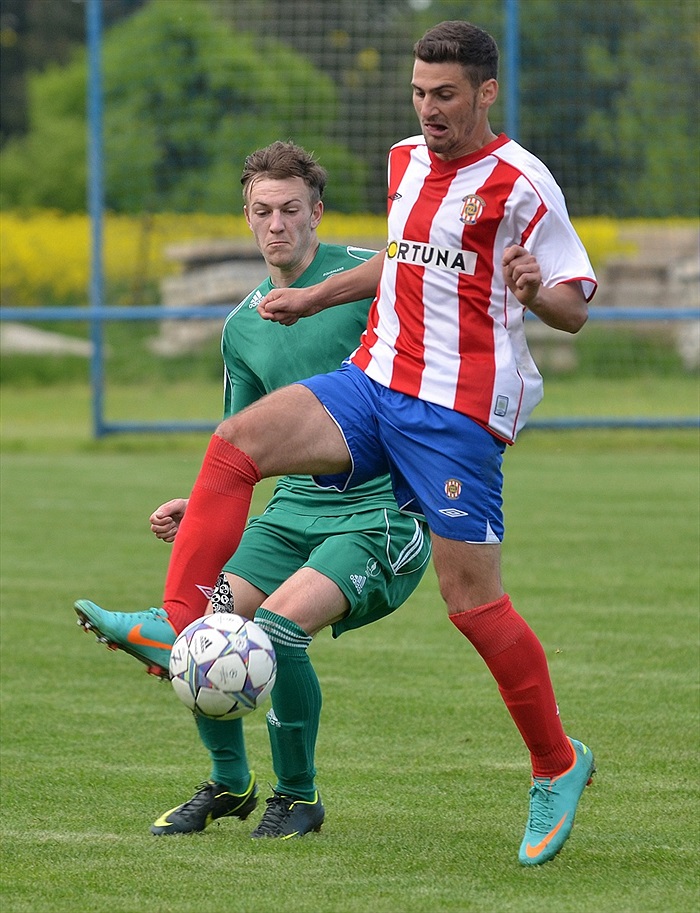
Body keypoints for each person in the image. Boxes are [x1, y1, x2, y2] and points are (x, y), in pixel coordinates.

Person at [76, 20, 598, 865]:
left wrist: (537, 290)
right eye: (420, 93)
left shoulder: (521, 181)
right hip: (375, 380)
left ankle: (557, 763)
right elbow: (403, 264)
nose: (430, 109)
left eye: (447, 95)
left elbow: (575, 304)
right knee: (237, 442)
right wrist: (316, 301)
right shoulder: (404, 161)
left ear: (486, 92)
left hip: (454, 412)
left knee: (473, 604)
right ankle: (178, 622)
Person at [75, 141, 431, 839]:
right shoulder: (242, 325)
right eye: (263, 211)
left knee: (275, 631)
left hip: (382, 509)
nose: (277, 224)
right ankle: (230, 781)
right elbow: (238, 439)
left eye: (291, 210)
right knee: (204, 636)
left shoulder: (368, 280)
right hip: (292, 507)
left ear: (317, 213)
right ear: (246, 217)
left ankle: (298, 795)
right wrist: (199, 502)